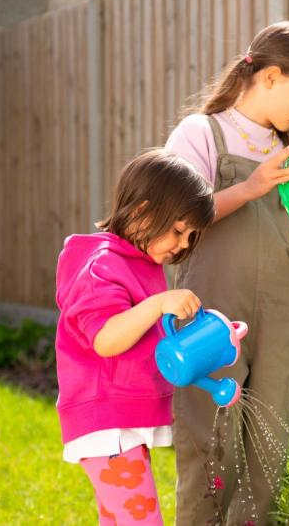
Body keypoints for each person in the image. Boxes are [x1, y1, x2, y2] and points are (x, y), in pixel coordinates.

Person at [165, 21, 289, 525]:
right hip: (209, 321)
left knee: (269, 452)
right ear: (270, 77)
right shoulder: (201, 133)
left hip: (279, 318)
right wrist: (248, 188)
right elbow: (176, 225)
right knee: (211, 451)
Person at [54, 149, 215, 525]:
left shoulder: (138, 263)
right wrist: (159, 304)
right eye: (178, 230)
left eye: (191, 236)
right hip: (107, 421)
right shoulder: (101, 264)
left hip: (119, 422)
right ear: (142, 212)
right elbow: (106, 338)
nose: (183, 244)